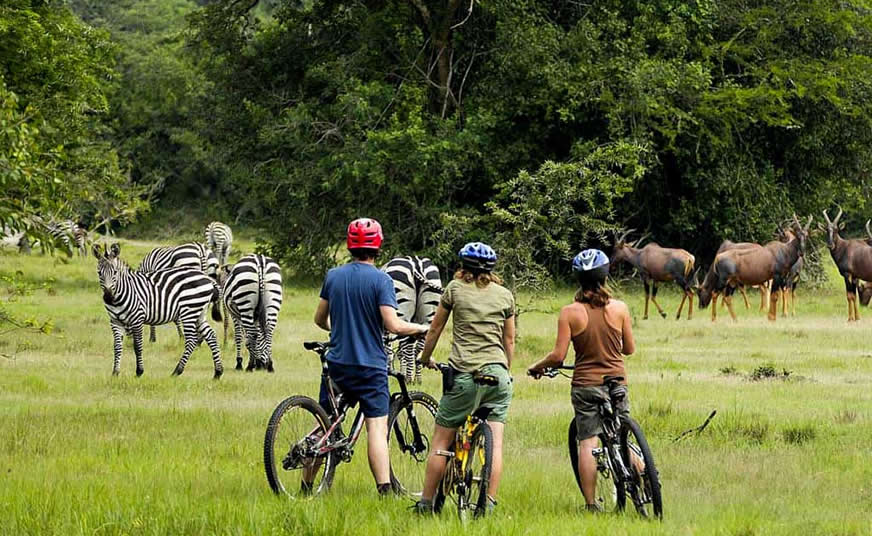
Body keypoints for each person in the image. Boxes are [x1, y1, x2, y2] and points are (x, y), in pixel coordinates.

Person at [313, 217, 429, 496]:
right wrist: (421, 328)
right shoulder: (382, 280)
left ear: (349, 245)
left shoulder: (333, 276)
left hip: (337, 364)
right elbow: (393, 325)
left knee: (324, 423)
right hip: (370, 367)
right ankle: (384, 488)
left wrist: (340, 329)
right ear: (378, 245)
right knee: (376, 427)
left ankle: (307, 486)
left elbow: (320, 319)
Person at [527, 249, 636, 513]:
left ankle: (590, 505)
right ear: (605, 275)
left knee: (588, 443)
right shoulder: (620, 308)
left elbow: (558, 356)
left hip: (586, 385)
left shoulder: (569, 312)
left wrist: (536, 367)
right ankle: (647, 477)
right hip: (617, 382)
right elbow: (629, 350)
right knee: (622, 435)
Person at [414, 242, 516, 514]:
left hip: (465, 376)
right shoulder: (505, 295)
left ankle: (425, 503)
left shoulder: (454, 289)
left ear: (462, 266)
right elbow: (509, 339)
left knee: (440, 442)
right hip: (498, 376)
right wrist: (507, 369)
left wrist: (425, 358)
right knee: (495, 443)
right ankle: (489, 504)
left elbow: (435, 329)